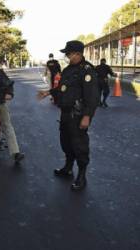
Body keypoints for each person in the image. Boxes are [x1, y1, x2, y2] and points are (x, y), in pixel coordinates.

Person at [38, 41, 99, 191]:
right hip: (65, 113)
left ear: (78, 54)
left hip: (78, 115)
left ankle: (82, 176)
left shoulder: (87, 70)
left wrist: (87, 116)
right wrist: (48, 92)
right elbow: (61, 88)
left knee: (79, 146)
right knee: (65, 142)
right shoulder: (68, 70)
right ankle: (68, 168)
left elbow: (92, 96)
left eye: (68, 53)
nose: (66, 56)